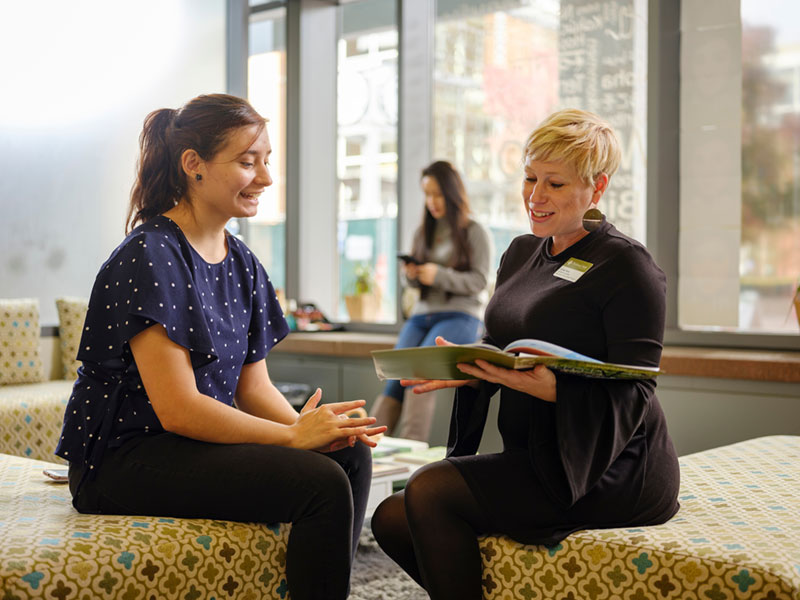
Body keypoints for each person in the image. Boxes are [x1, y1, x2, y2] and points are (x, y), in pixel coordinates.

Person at [55, 93, 386, 600]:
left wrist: (309, 428)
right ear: (195, 166)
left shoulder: (243, 262)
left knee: (348, 457)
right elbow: (179, 409)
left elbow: (254, 388)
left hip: (189, 446)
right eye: (247, 162)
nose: (265, 178)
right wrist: (294, 439)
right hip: (125, 458)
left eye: (266, 161)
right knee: (320, 482)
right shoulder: (151, 254)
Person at [370, 109, 681, 600]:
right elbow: (504, 345)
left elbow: (636, 389)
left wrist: (555, 388)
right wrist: (470, 371)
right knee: (391, 516)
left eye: (555, 184)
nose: (535, 197)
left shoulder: (628, 266)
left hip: (610, 467)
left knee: (429, 490)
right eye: (530, 178)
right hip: (534, 454)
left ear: (596, 190)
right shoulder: (520, 252)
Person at [370, 160, 492, 441]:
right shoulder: (423, 232)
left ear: (451, 193)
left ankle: (413, 463)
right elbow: (414, 284)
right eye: (427, 194)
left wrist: (438, 275)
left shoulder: (475, 232)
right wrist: (412, 275)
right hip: (423, 314)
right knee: (393, 379)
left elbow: (479, 282)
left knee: (417, 378)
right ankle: (368, 454)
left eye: (437, 194)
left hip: (461, 315)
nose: (432, 202)